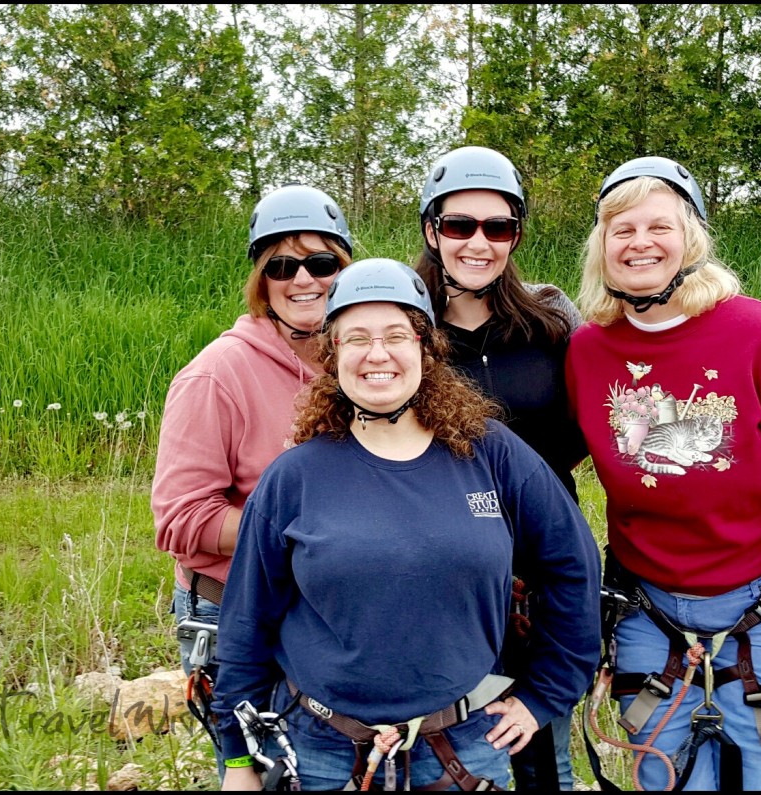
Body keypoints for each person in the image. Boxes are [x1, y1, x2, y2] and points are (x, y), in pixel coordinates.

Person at [211, 258, 602, 791]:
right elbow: (246, 622)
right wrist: (238, 760)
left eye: (396, 335)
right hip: (322, 752)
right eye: (357, 339)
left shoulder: (492, 454)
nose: (378, 354)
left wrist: (545, 696)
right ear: (334, 353)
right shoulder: (295, 478)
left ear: (425, 348)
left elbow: (572, 565)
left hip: (463, 750)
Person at [565, 156, 761, 791]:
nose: (640, 242)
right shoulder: (588, 351)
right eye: (621, 230)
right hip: (648, 604)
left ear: (692, 239)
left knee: (756, 768)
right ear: (602, 247)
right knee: (660, 765)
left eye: (660, 226)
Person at [152, 183, 354, 776]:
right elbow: (181, 518)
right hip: (234, 609)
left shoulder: (359, 362)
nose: (304, 280)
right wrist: (303, 532)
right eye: (282, 265)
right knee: (257, 774)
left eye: (321, 263)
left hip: (324, 607)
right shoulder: (217, 375)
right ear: (262, 280)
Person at [415, 145, 588, 790]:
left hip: (544, 563)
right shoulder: (408, 331)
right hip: (449, 567)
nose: (478, 243)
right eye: (460, 225)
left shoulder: (550, 320)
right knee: (453, 748)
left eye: (499, 227)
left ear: (516, 234)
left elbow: (588, 423)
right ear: (433, 230)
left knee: (543, 747)